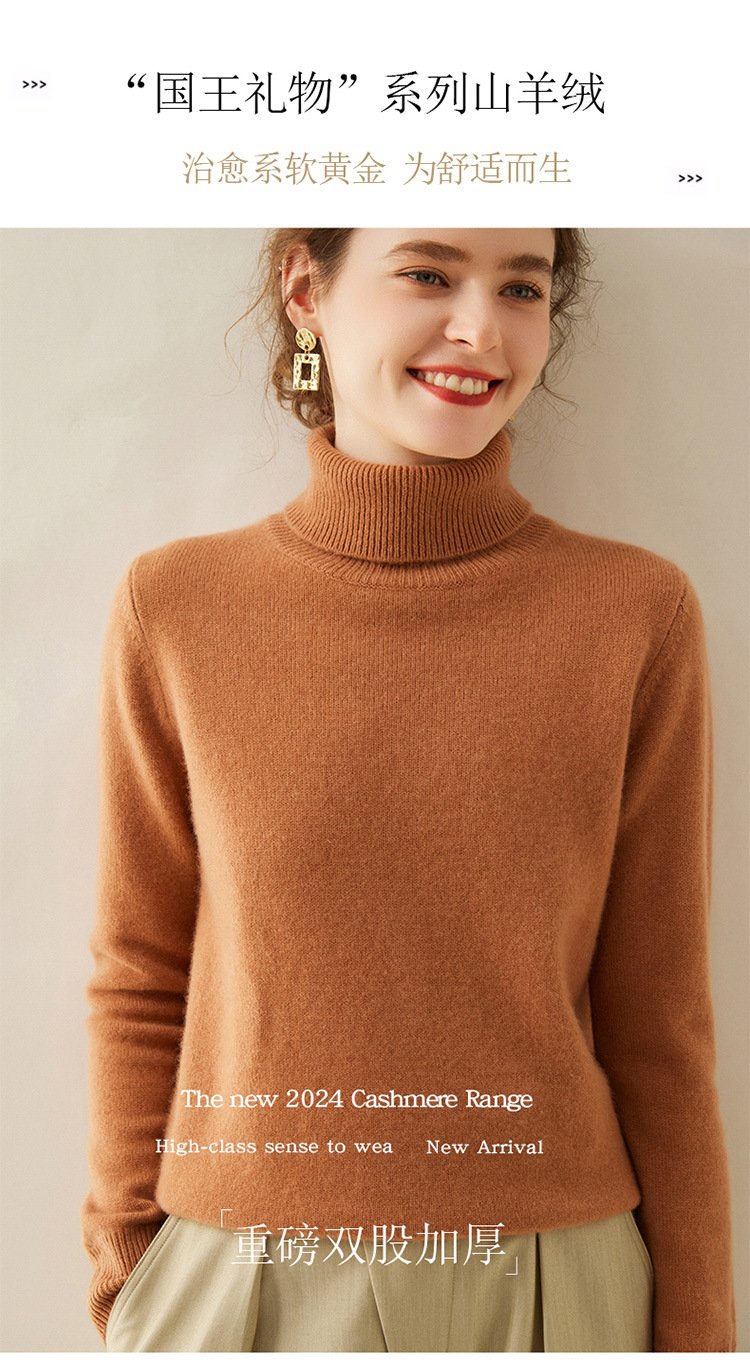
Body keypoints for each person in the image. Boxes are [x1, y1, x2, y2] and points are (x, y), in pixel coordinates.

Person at [81, 227, 736, 1353]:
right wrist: (131, 1268)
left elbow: (660, 1016)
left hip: (552, 1279)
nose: (481, 329)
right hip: (239, 1275)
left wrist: (699, 1327)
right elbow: (141, 969)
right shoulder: (177, 606)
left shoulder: (635, 614)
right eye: (428, 274)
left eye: (521, 288)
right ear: (307, 291)